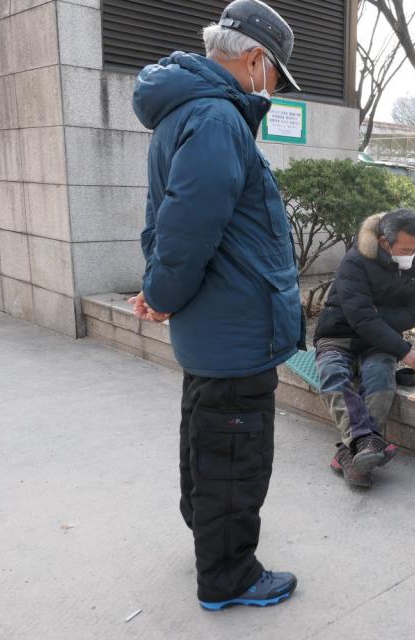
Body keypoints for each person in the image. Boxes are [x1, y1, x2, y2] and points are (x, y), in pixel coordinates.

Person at [129, 0, 306, 612]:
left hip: (218, 326)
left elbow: (171, 223)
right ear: (255, 59)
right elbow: (186, 228)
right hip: (235, 332)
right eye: (277, 72)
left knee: (208, 440)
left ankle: (210, 537)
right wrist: (159, 292)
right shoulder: (217, 117)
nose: (276, 86)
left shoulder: (188, 112)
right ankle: (228, 575)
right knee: (236, 453)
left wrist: (160, 291)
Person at [314, 209, 415, 487]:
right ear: (383, 241)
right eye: (404, 249)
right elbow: (360, 317)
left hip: (380, 341)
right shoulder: (354, 262)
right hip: (337, 337)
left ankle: (352, 454)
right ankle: (365, 444)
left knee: (380, 376)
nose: (410, 254)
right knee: (333, 376)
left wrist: (378, 315)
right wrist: (404, 349)